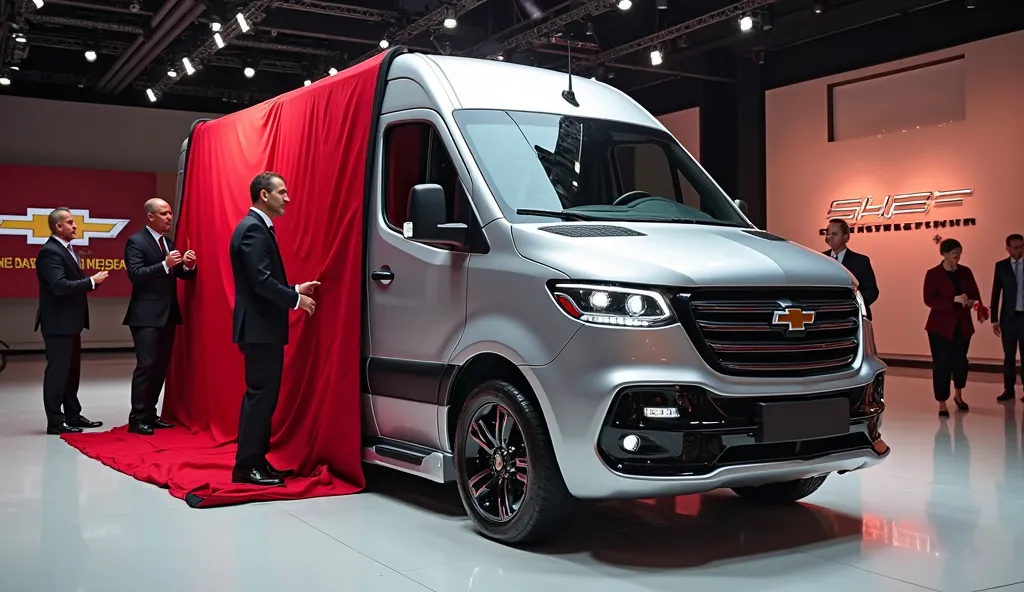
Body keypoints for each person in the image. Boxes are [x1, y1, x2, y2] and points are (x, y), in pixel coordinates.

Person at [229, 172, 319, 486]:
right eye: (282, 192)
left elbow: (264, 280)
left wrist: (295, 286)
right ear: (264, 195)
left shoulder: (257, 227)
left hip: (261, 327)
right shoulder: (253, 229)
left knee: (264, 397)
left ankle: (257, 460)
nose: (288, 198)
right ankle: (246, 466)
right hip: (258, 328)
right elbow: (261, 282)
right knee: (259, 397)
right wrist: (295, 299)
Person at [123, 198, 197, 435]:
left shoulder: (167, 242)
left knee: (160, 366)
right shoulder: (136, 242)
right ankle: (137, 417)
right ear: (150, 217)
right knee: (146, 366)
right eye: (164, 214)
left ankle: (150, 414)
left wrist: (187, 266)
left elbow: (179, 275)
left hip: (167, 315)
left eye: (170, 213)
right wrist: (164, 265)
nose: (169, 218)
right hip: (145, 316)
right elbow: (136, 274)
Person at [34, 207, 109, 434]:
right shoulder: (50, 252)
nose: (75, 226)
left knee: (71, 372)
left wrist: (89, 282)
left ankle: (73, 415)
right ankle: (56, 422)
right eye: (70, 222)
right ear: (58, 226)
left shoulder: (66, 250)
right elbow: (59, 286)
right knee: (58, 373)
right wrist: (91, 281)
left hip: (70, 323)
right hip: (58, 324)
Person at [924, 238, 982, 417]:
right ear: (944, 254)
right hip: (940, 327)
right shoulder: (933, 273)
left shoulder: (966, 272)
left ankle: (959, 396)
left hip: (962, 326)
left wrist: (973, 302)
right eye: (953, 252)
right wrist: (952, 300)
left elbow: (975, 296)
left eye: (959, 252)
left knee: (960, 362)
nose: (957, 255)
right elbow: (929, 299)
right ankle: (942, 402)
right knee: (941, 365)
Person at [991, 233, 1024, 402]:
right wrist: (994, 319)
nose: (1020, 250)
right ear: (1008, 248)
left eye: (1022, 246)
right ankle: (1008, 389)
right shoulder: (1001, 266)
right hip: (1008, 319)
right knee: (1009, 356)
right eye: (1016, 247)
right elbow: (996, 294)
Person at [824, 219, 879, 319]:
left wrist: (854, 305)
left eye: (835, 234)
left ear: (845, 237)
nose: (829, 237)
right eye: (828, 233)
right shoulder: (821, 259)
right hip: (826, 317)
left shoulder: (860, 261)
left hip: (853, 318)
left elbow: (872, 291)